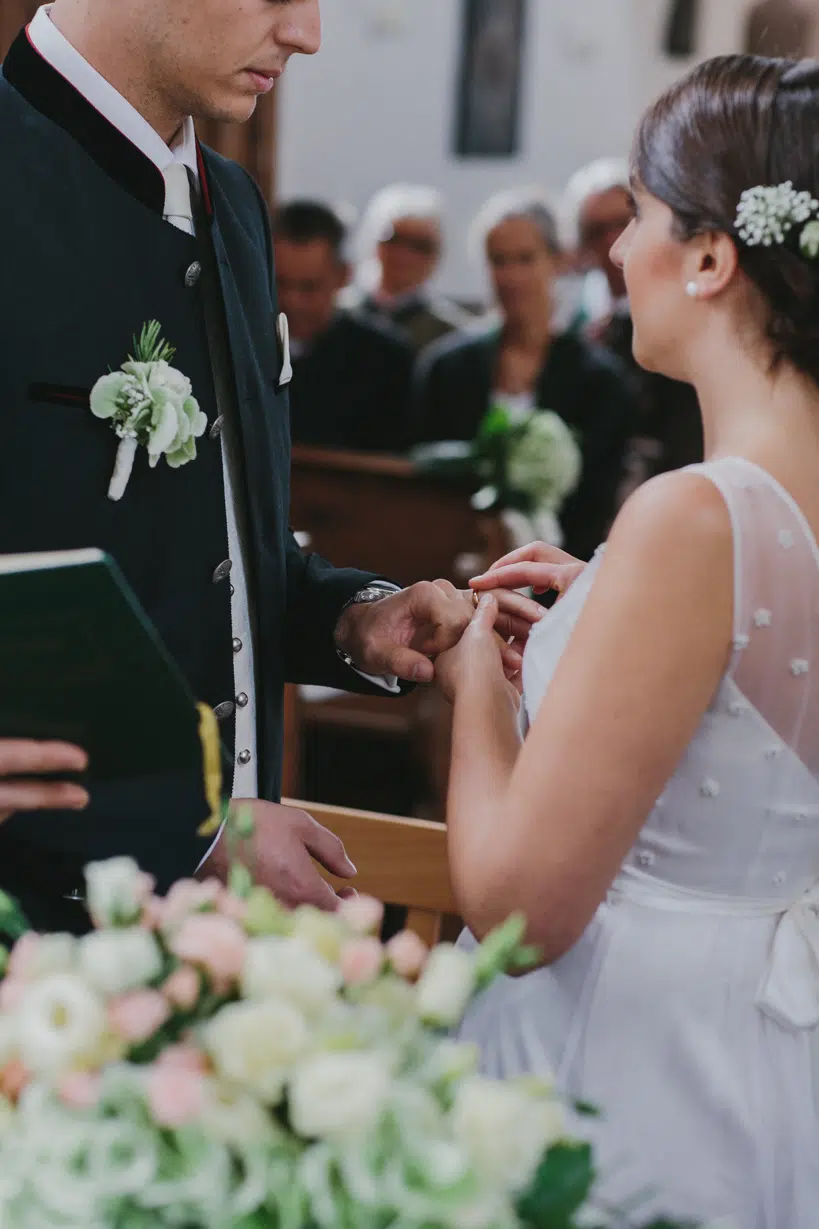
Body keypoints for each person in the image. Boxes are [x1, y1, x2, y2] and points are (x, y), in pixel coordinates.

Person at [0, 1, 542, 931]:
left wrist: (353, 618)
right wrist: (189, 836)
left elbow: (210, 550)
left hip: (218, 949)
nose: (307, 32)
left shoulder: (237, 208)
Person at [438, 55, 819, 1226]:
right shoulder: (710, 535)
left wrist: (473, 672)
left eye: (642, 217)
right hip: (768, 1054)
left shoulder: (694, 519)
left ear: (712, 255)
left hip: (629, 1061)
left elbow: (517, 909)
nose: (614, 251)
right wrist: (607, 600)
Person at [413, 189, 636, 561]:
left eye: (525, 259)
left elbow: (599, 495)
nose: (511, 276)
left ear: (557, 261)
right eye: (499, 261)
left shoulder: (599, 380)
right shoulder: (446, 368)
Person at [565, 156, 703, 485]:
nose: (613, 242)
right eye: (596, 231)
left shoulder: (686, 309)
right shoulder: (576, 324)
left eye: (623, 222)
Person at [274, 200, 414, 453]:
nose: (291, 302)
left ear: (343, 276)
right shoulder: (237, 348)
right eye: (278, 284)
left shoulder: (386, 359)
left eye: (309, 287)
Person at [346, 184, 469, 355]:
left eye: (420, 246)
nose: (404, 255)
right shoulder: (339, 314)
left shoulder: (451, 335)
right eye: (394, 239)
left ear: (436, 257)